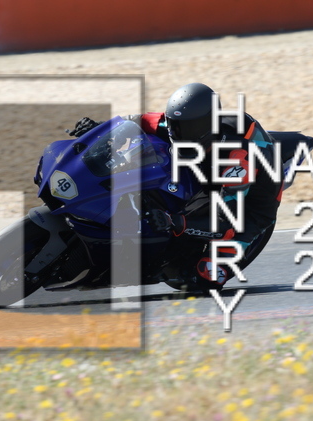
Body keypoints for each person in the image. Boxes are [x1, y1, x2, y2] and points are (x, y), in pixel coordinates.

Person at [68, 83, 283, 290]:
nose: (180, 133)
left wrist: (176, 222)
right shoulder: (172, 125)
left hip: (249, 209)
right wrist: (98, 129)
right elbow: (132, 122)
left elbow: (226, 222)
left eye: (190, 128)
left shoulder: (238, 159)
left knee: (203, 279)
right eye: (175, 125)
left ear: (210, 126)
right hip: (207, 171)